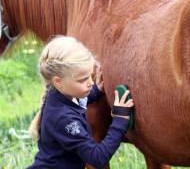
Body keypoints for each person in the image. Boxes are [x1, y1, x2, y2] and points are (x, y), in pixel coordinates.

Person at [26, 36, 134, 169]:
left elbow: (77, 103)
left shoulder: (58, 94)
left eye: (89, 75)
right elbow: (97, 158)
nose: (90, 82)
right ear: (58, 82)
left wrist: (95, 91)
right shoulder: (63, 119)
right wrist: (120, 121)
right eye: (82, 80)